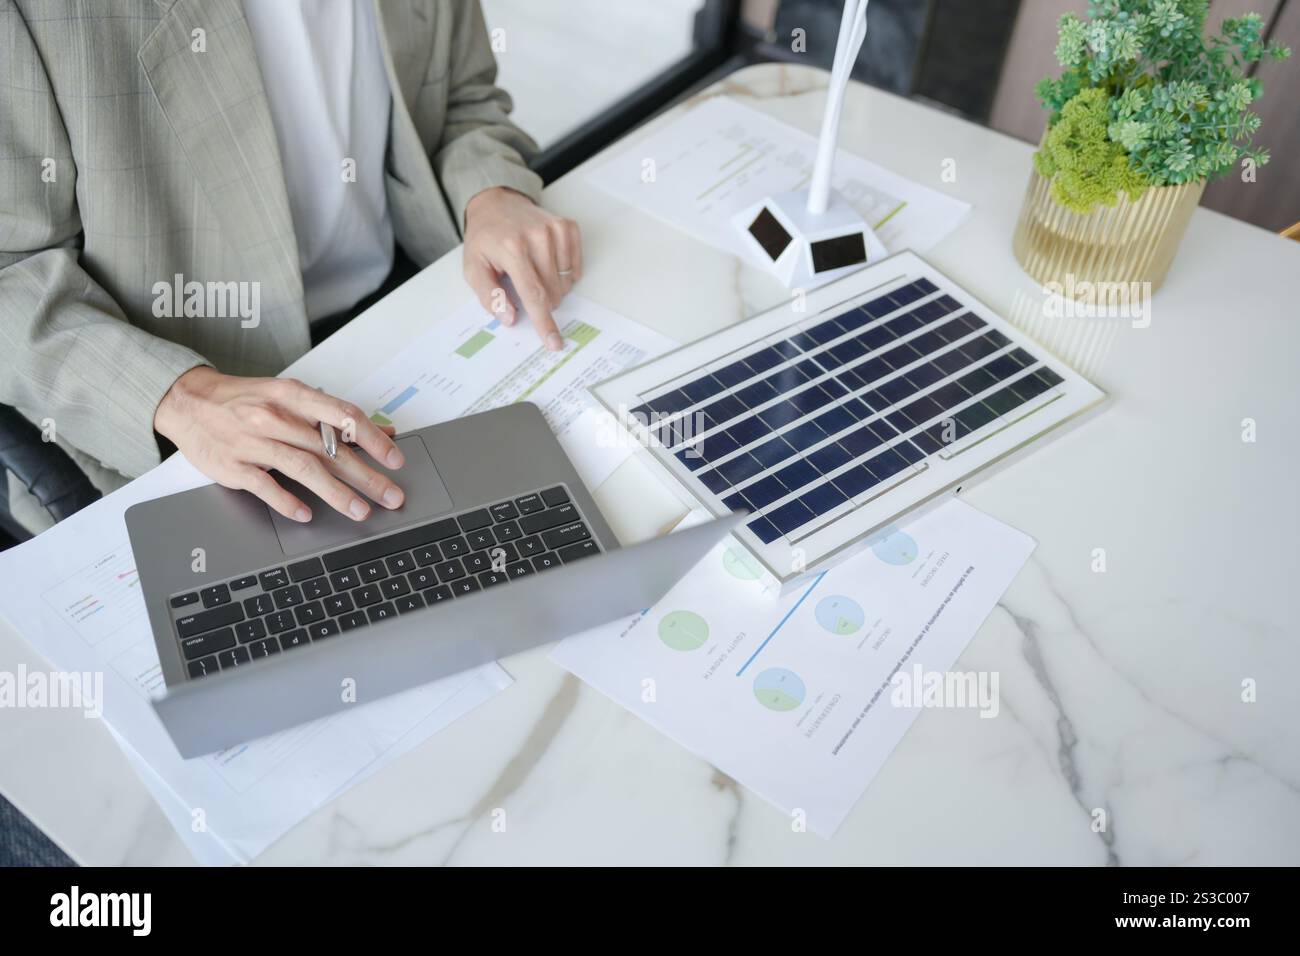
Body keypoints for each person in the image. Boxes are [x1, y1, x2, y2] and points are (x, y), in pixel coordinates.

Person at [0, 0, 582, 534]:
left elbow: (461, 97)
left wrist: (489, 193)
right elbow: (11, 273)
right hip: (190, 394)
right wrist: (179, 397)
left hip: (405, 310)